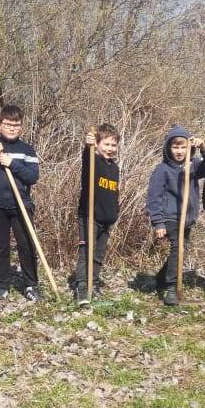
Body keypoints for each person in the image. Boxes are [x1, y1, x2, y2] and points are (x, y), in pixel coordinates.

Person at [0, 104, 41, 301]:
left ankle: (30, 285)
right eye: (8, 124)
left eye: (16, 125)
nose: (12, 128)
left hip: (21, 204)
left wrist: (13, 164)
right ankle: (2, 284)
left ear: (21, 126)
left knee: (27, 246)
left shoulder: (27, 150)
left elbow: (32, 177)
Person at [145, 126, 205, 306]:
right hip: (170, 217)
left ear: (189, 148)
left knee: (181, 249)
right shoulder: (162, 170)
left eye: (183, 147)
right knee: (179, 249)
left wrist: (204, 148)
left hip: (187, 218)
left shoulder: (194, 165)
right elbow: (154, 196)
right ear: (168, 148)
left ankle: (161, 278)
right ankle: (170, 286)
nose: (179, 151)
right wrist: (158, 222)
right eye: (175, 147)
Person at [74, 124, 120, 305]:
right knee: (87, 252)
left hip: (107, 218)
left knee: (98, 254)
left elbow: (114, 193)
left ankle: (94, 283)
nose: (110, 149)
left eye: (113, 145)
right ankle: (82, 287)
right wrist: (88, 147)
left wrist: (114, 213)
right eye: (106, 144)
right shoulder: (93, 162)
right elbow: (87, 158)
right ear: (98, 145)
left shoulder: (114, 168)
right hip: (89, 216)